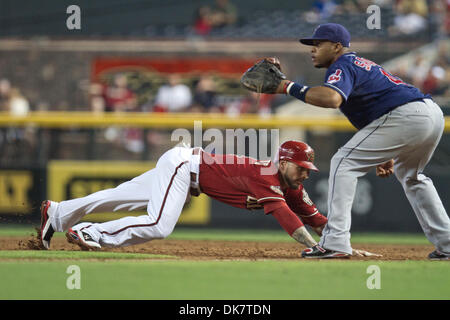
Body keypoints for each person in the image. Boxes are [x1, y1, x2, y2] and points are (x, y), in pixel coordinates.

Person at [267, 23, 449, 260]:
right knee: (412, 177)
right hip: (430, 115)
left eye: (318, 44)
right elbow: (372, 109)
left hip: (406, 116)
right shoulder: (357, 64)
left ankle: (335, 242)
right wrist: (385, 153)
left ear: (336, 46)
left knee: (344, 161)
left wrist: (287, 87)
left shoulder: (342, 65)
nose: (313, 49)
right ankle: (447, 243)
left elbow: (331, 99)